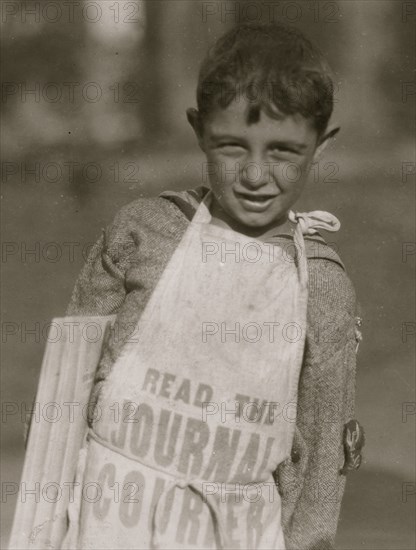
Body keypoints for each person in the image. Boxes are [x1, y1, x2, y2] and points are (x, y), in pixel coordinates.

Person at [65, 22, 364, 550]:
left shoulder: (319, 284)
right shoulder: (144, 231)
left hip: (236, 532)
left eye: (283, 152)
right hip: (106, 517)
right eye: (231, 146)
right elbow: (68, 376)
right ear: (199, 129)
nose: (254, 174)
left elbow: (319, 459)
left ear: (321, 145)